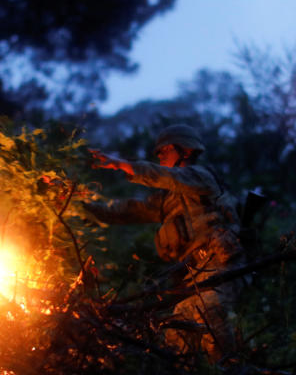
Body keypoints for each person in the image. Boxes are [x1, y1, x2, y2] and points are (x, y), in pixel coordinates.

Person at [84, 124, 244, 359]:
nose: (160, 156)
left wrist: (120, 164)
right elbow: (127, 210)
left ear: (186, 151)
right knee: (175, 329)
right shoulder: (166, 200)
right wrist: (79, 204)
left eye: (166, 150)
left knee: (209, 309)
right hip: (195, 276)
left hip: (224, 267)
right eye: (159, 152)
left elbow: (165, 176)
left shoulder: (202, 178)